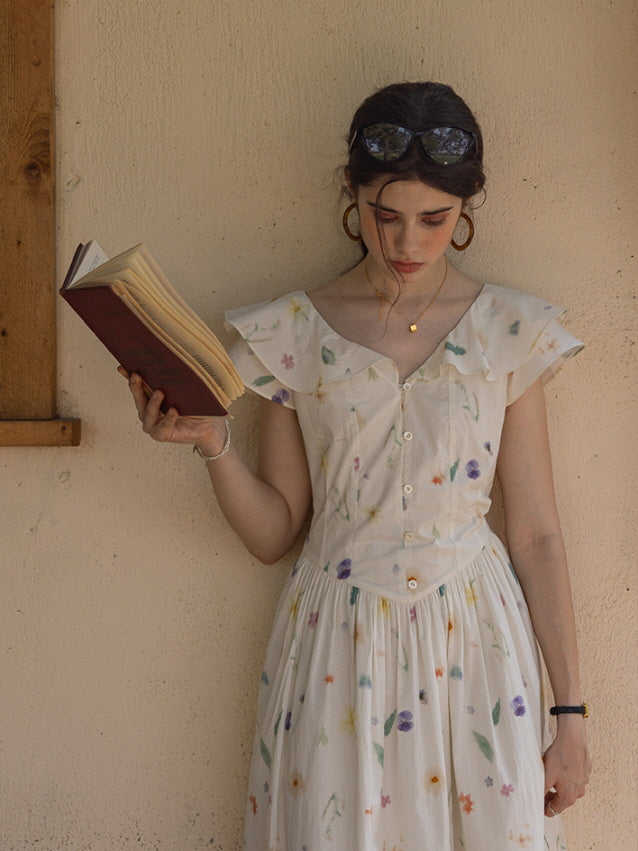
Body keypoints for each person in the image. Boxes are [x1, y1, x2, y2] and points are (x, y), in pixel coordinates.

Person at [123, 81, 591, 850]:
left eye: (434, 220)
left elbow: (537, 535)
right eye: (386, 215)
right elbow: (277, 531)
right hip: (339, 645)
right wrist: (215, 446)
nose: (407, 243)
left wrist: (569, 715)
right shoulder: (296, 332)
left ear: (466, 210)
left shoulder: (511, 332)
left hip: (476, 646)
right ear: (353, 196)